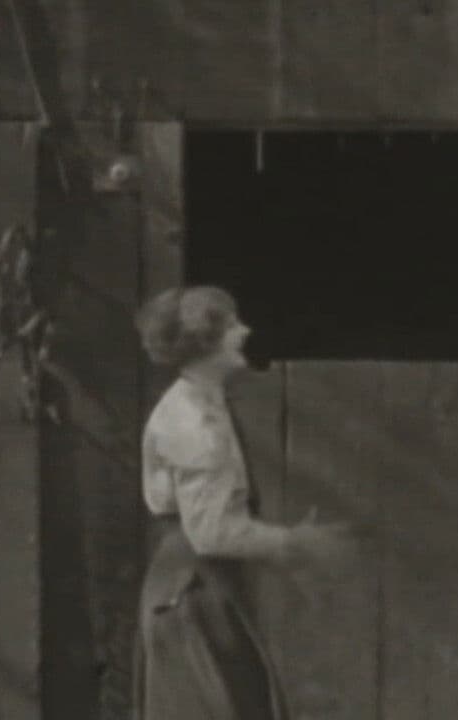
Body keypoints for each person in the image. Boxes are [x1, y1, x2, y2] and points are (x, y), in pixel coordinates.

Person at [133, 285, 349, 719]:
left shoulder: (203, 402)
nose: (245, 332)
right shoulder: (194, 425)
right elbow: (211, 533)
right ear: (204, 343)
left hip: (202, 586)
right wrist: (294, 543)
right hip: (192, 594)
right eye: (232, 326)